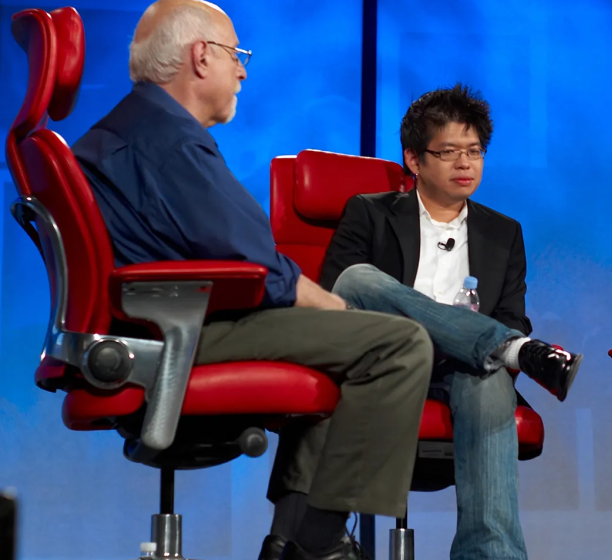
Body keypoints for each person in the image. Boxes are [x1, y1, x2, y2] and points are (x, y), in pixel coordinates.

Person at [71, 2, 433, 559]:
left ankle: (291, 539)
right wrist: (333, 310)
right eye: (236, 55)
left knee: (348, 347)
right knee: (398, 344)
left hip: (162, 323)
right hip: (184, 331)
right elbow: (256, 263)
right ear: (200, 56)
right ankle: (316, 542)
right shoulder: (167, 139)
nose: (242, 71)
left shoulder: (127, 127)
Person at [259, 84, 580, 560]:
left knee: (488, 378)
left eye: (474, 152)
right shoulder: (369, 213)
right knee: (359, 277)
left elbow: (512, 314)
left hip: (461, 369)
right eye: (448, 152)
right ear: (413, 158)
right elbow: (337, 299)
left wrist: (461, 339)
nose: (465, 164)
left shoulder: (503, 233)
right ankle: (511, 349)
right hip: (380, 360)